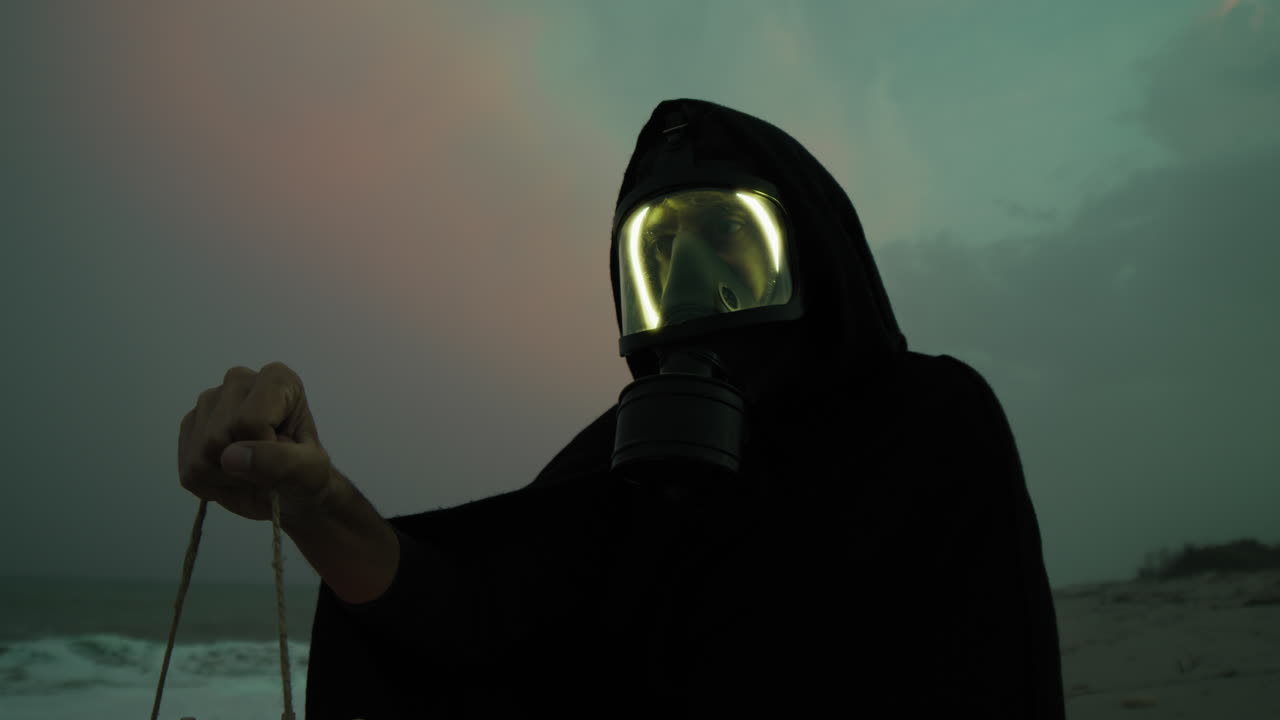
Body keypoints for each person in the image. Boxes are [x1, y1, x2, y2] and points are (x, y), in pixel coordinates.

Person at [177, 98, 1066, 718]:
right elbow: (474, 620)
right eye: (660, 250)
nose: (688, 277)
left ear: (809, 252)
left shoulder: (931, 425)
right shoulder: (623, 463)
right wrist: (320, 506)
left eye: (726, 235)